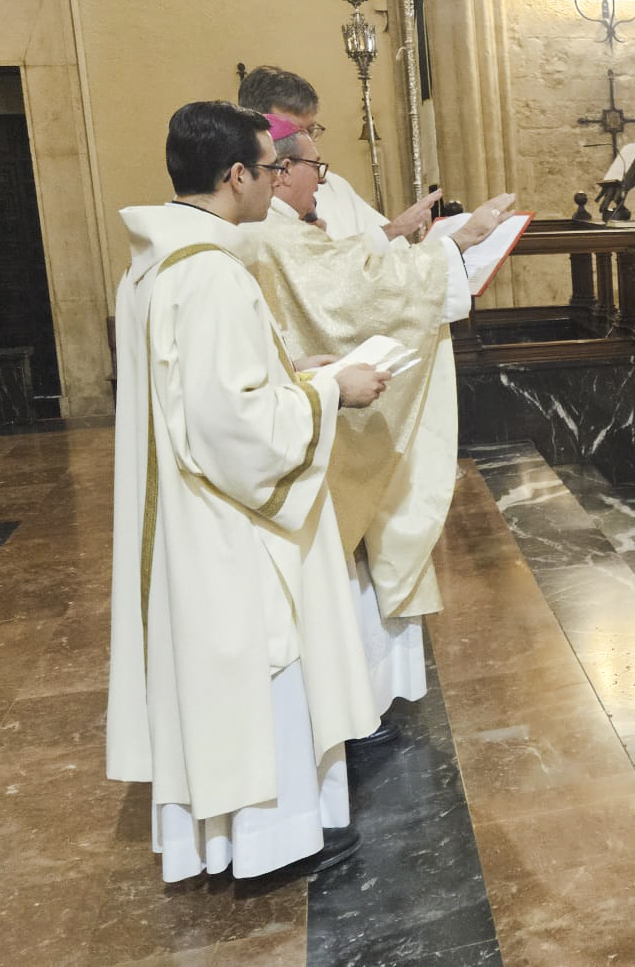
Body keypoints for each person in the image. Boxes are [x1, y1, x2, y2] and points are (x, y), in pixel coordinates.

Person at [109, 101, 388, 881]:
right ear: (235, 176)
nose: (277, 184)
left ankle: (231, 838)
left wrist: (304, 377)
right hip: (230, 527)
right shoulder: (209, 275)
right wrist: (335, 394)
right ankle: (272, 838)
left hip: (189, 520)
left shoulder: (156, 263)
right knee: (261, 662)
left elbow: (204, 398)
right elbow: (237, 431)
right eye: (270, 170)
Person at [245, 114, 515, 735]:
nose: (322, 178)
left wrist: (402, 236)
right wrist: (456, 246)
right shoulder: (271, 234)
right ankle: (355, 705)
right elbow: (344, 291)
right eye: (317, 165)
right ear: (279, 171)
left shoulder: (281, 226)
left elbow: (340, 265)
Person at [238, 65, 431, 243]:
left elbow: (394, 252)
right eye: (295, 131)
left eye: (310, 130)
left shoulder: (334, 187)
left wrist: (395, 232)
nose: (306, 142)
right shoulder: (246, 205)